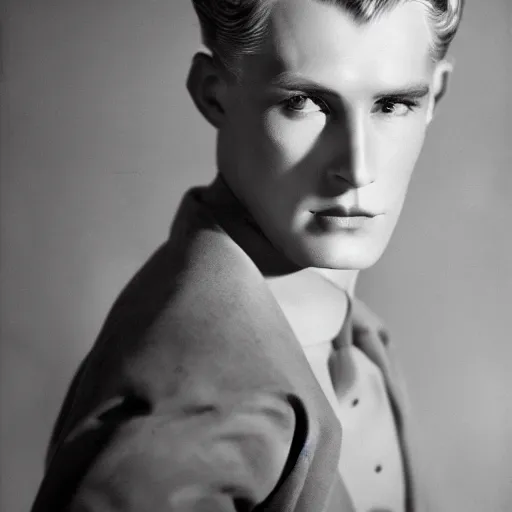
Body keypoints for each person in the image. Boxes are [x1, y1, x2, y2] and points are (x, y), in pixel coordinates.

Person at [30, 0, 465, 511]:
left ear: (435, 94)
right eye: (304, 102)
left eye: (392, 105)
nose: (358, 167)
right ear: (214, 95)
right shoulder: (196, 412)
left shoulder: (347, 334)